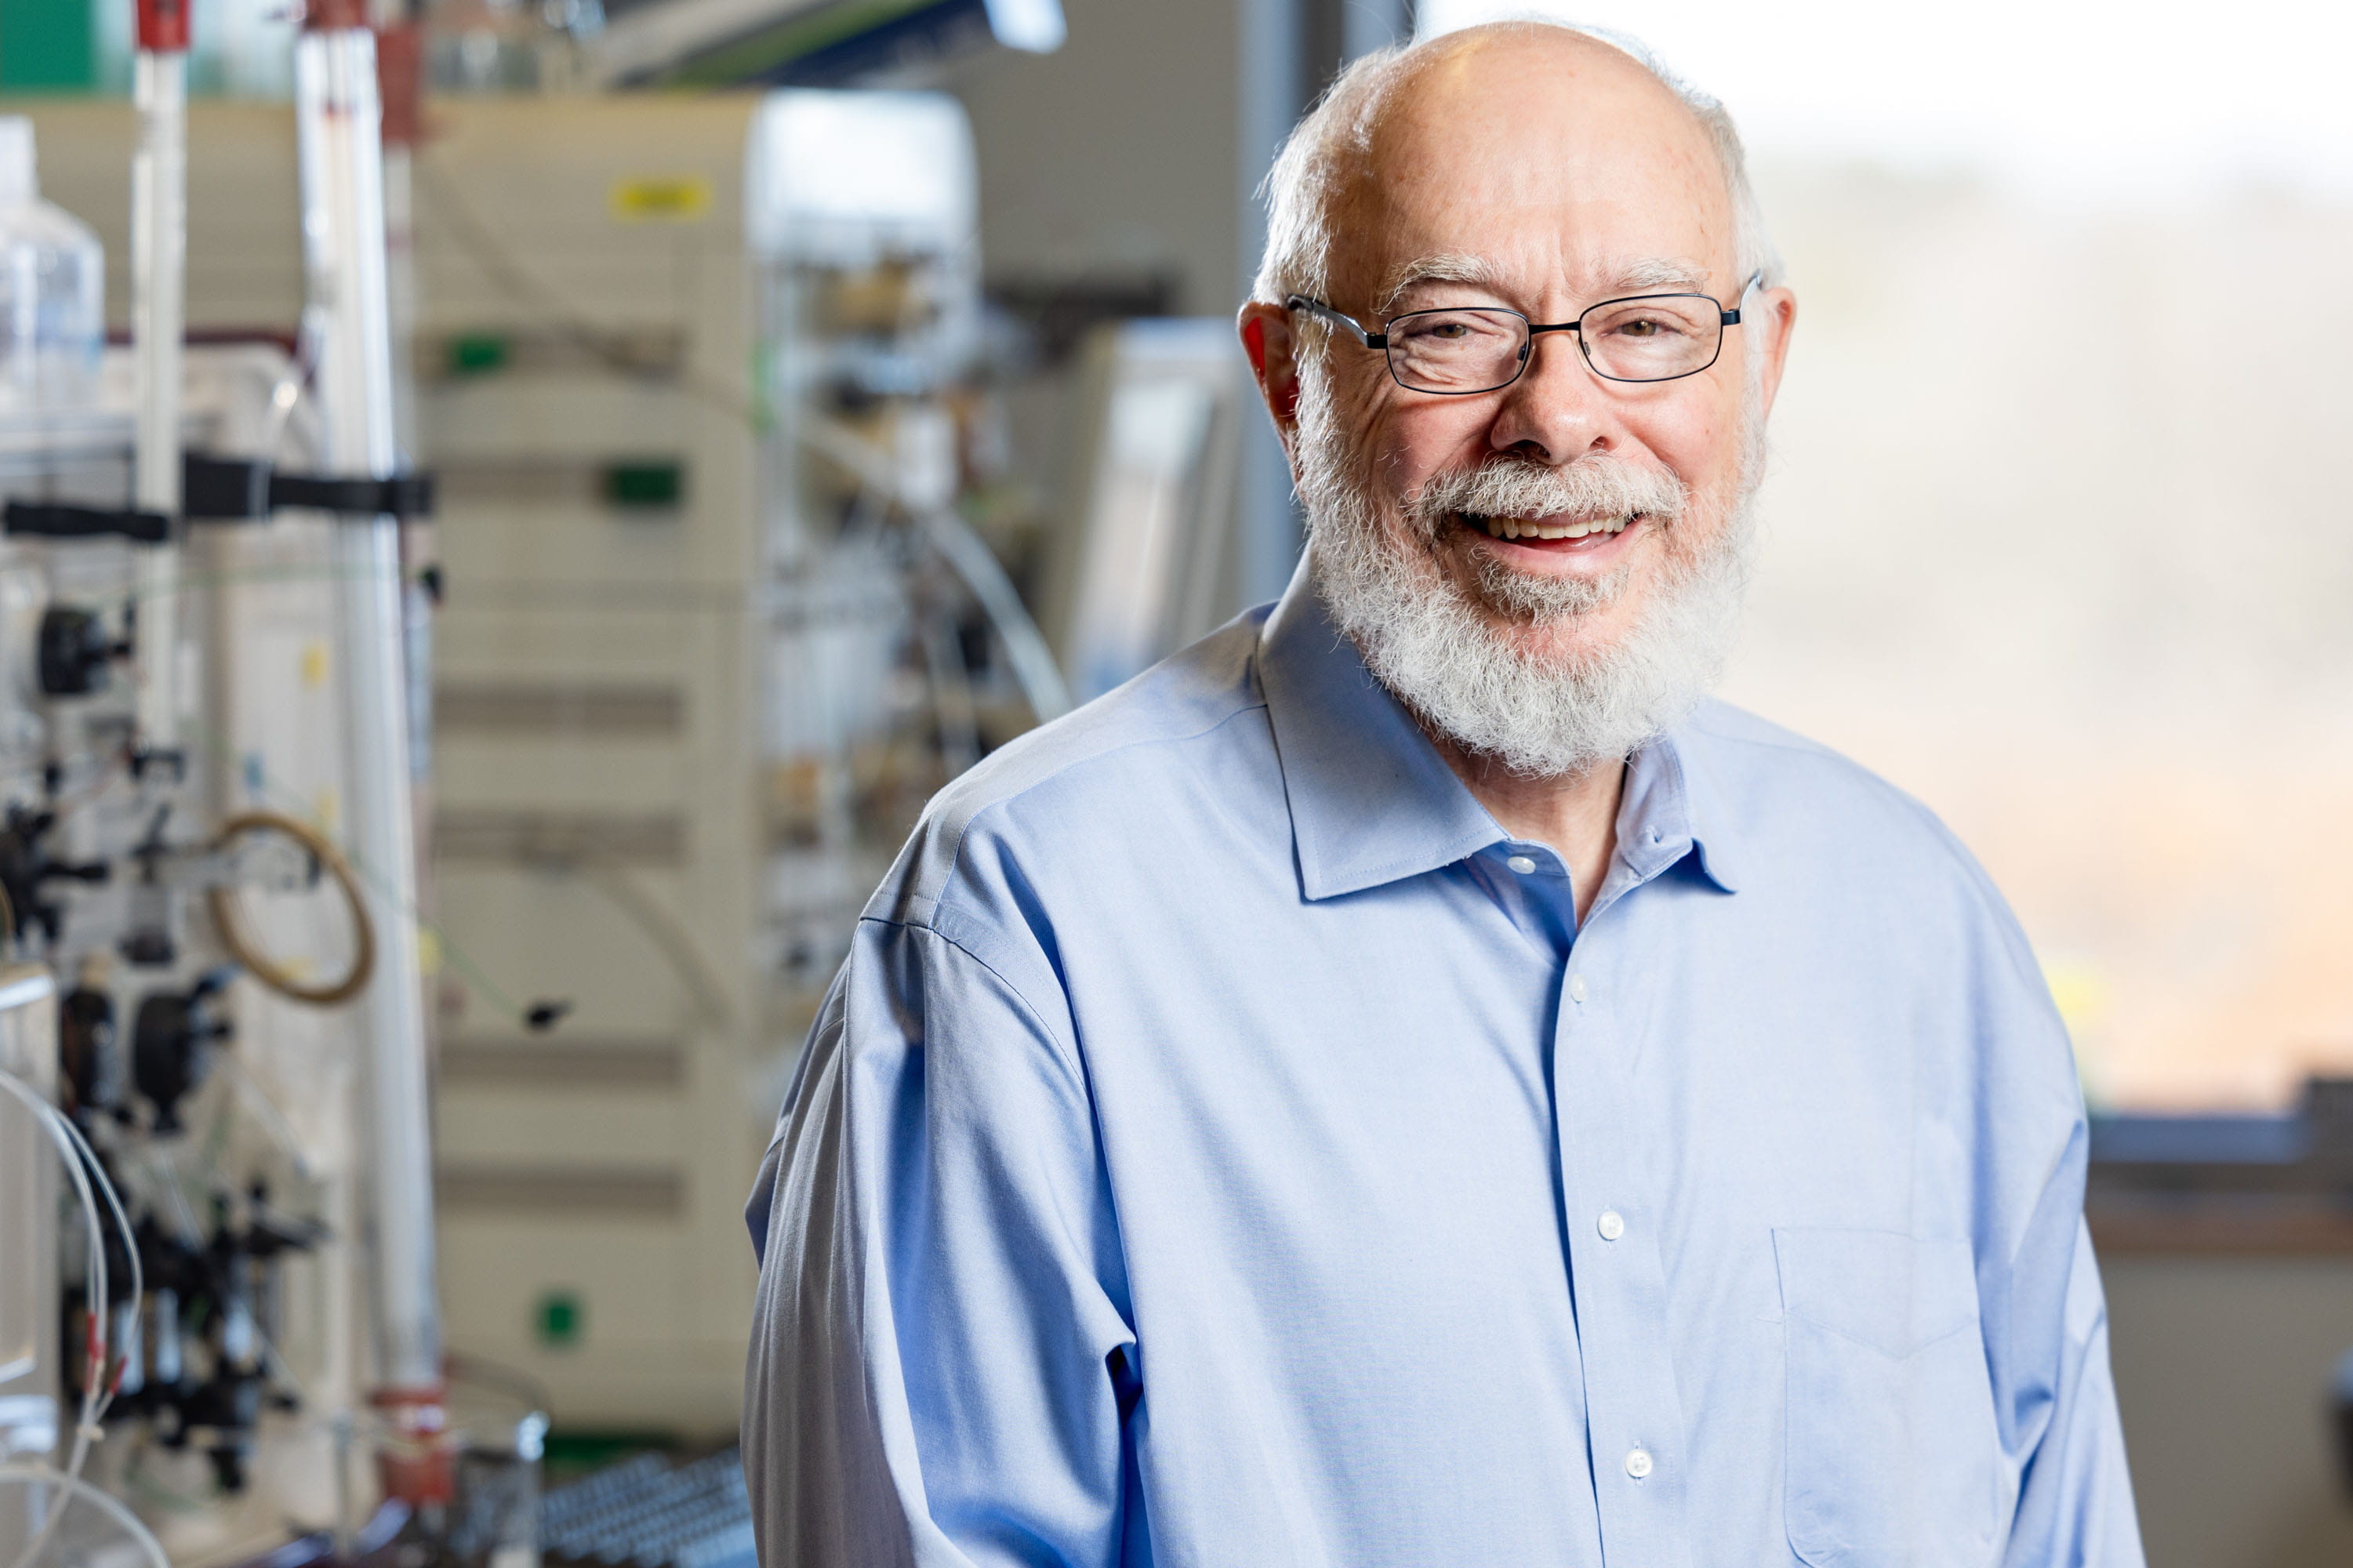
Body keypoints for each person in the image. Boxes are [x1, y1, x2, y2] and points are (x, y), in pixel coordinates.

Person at [742, 20, 2144, 1566]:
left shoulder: (1912, 933)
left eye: (1648, 324)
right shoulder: (1026, 939)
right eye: (1450, 328)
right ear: (1289, 382)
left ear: (1763, 366)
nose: (1556, 416)